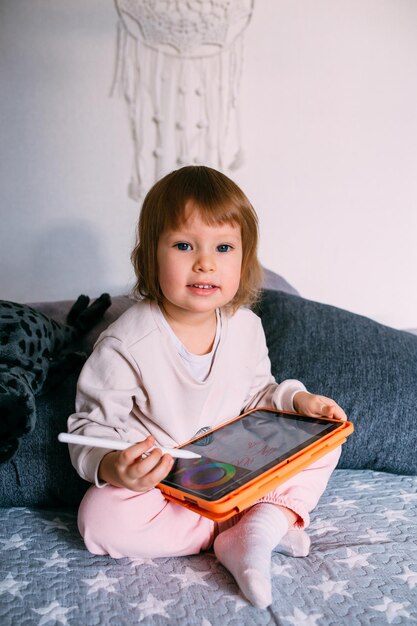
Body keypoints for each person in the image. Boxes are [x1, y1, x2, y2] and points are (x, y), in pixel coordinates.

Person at [67, 165, 347, 609]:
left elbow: (261, 394)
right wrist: (114, 466)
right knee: (99, 520)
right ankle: (242, 529)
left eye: (223, 247)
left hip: (242, 466)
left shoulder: (245, 326)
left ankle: (259, 523)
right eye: (183, 245)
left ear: (244, 260)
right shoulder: (125, 342)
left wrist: (298, 400)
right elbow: (90, 427)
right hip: (171, 487)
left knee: (326, 439)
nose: (205, 262)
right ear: (150, 258)